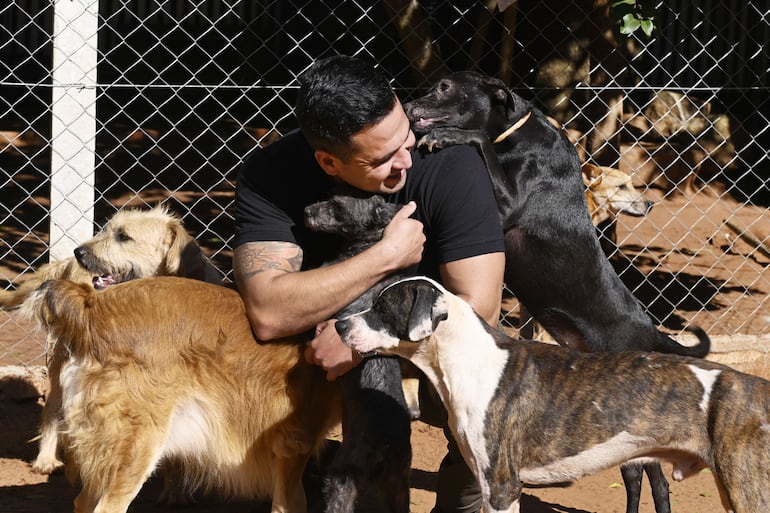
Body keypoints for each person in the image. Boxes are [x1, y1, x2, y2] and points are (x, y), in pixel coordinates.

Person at [232, 55, 505, 513]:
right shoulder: (270, 175)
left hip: (421, 341)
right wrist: (386, 256)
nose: (406, 160)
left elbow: (480, 309)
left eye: (406, 138)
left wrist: (361, 341)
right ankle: (289, 466)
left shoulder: (449, 162)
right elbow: (268, 312)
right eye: (381, 160)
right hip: (313, 347)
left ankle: (465, 490)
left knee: (481, 374)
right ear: (328, 162)